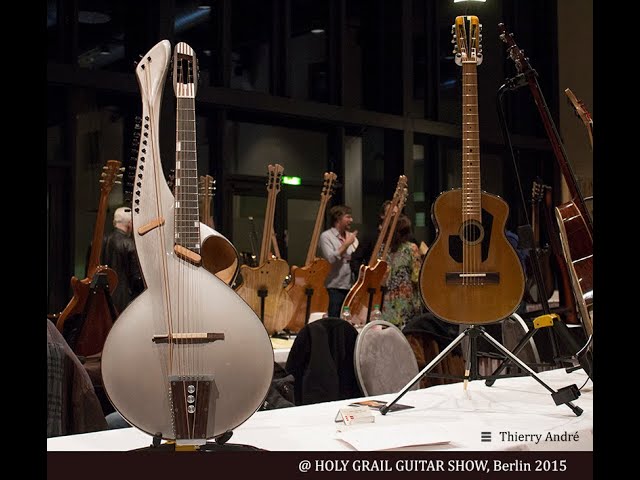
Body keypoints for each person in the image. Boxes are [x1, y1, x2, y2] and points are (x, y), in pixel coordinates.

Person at [381, 214, 424, 328]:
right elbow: (417, 277)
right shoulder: (411, 248)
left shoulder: (383, 249)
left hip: (386, 301)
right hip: (406, 301)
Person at [318, 205, 359, 318]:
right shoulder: (326, 236)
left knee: (349, 321)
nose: (351, 220)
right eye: (348, 217)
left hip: (351, 287)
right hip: (334, 287)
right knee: (334, 320)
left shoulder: (353, 238)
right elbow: (331, 258)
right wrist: (346, 244)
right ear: (338, 218)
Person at [101, 206, 144, 314]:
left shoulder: (98, 242)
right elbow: (137, 278)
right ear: (130, 223)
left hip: (102, 300)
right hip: (126, 303)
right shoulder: (130, 244)